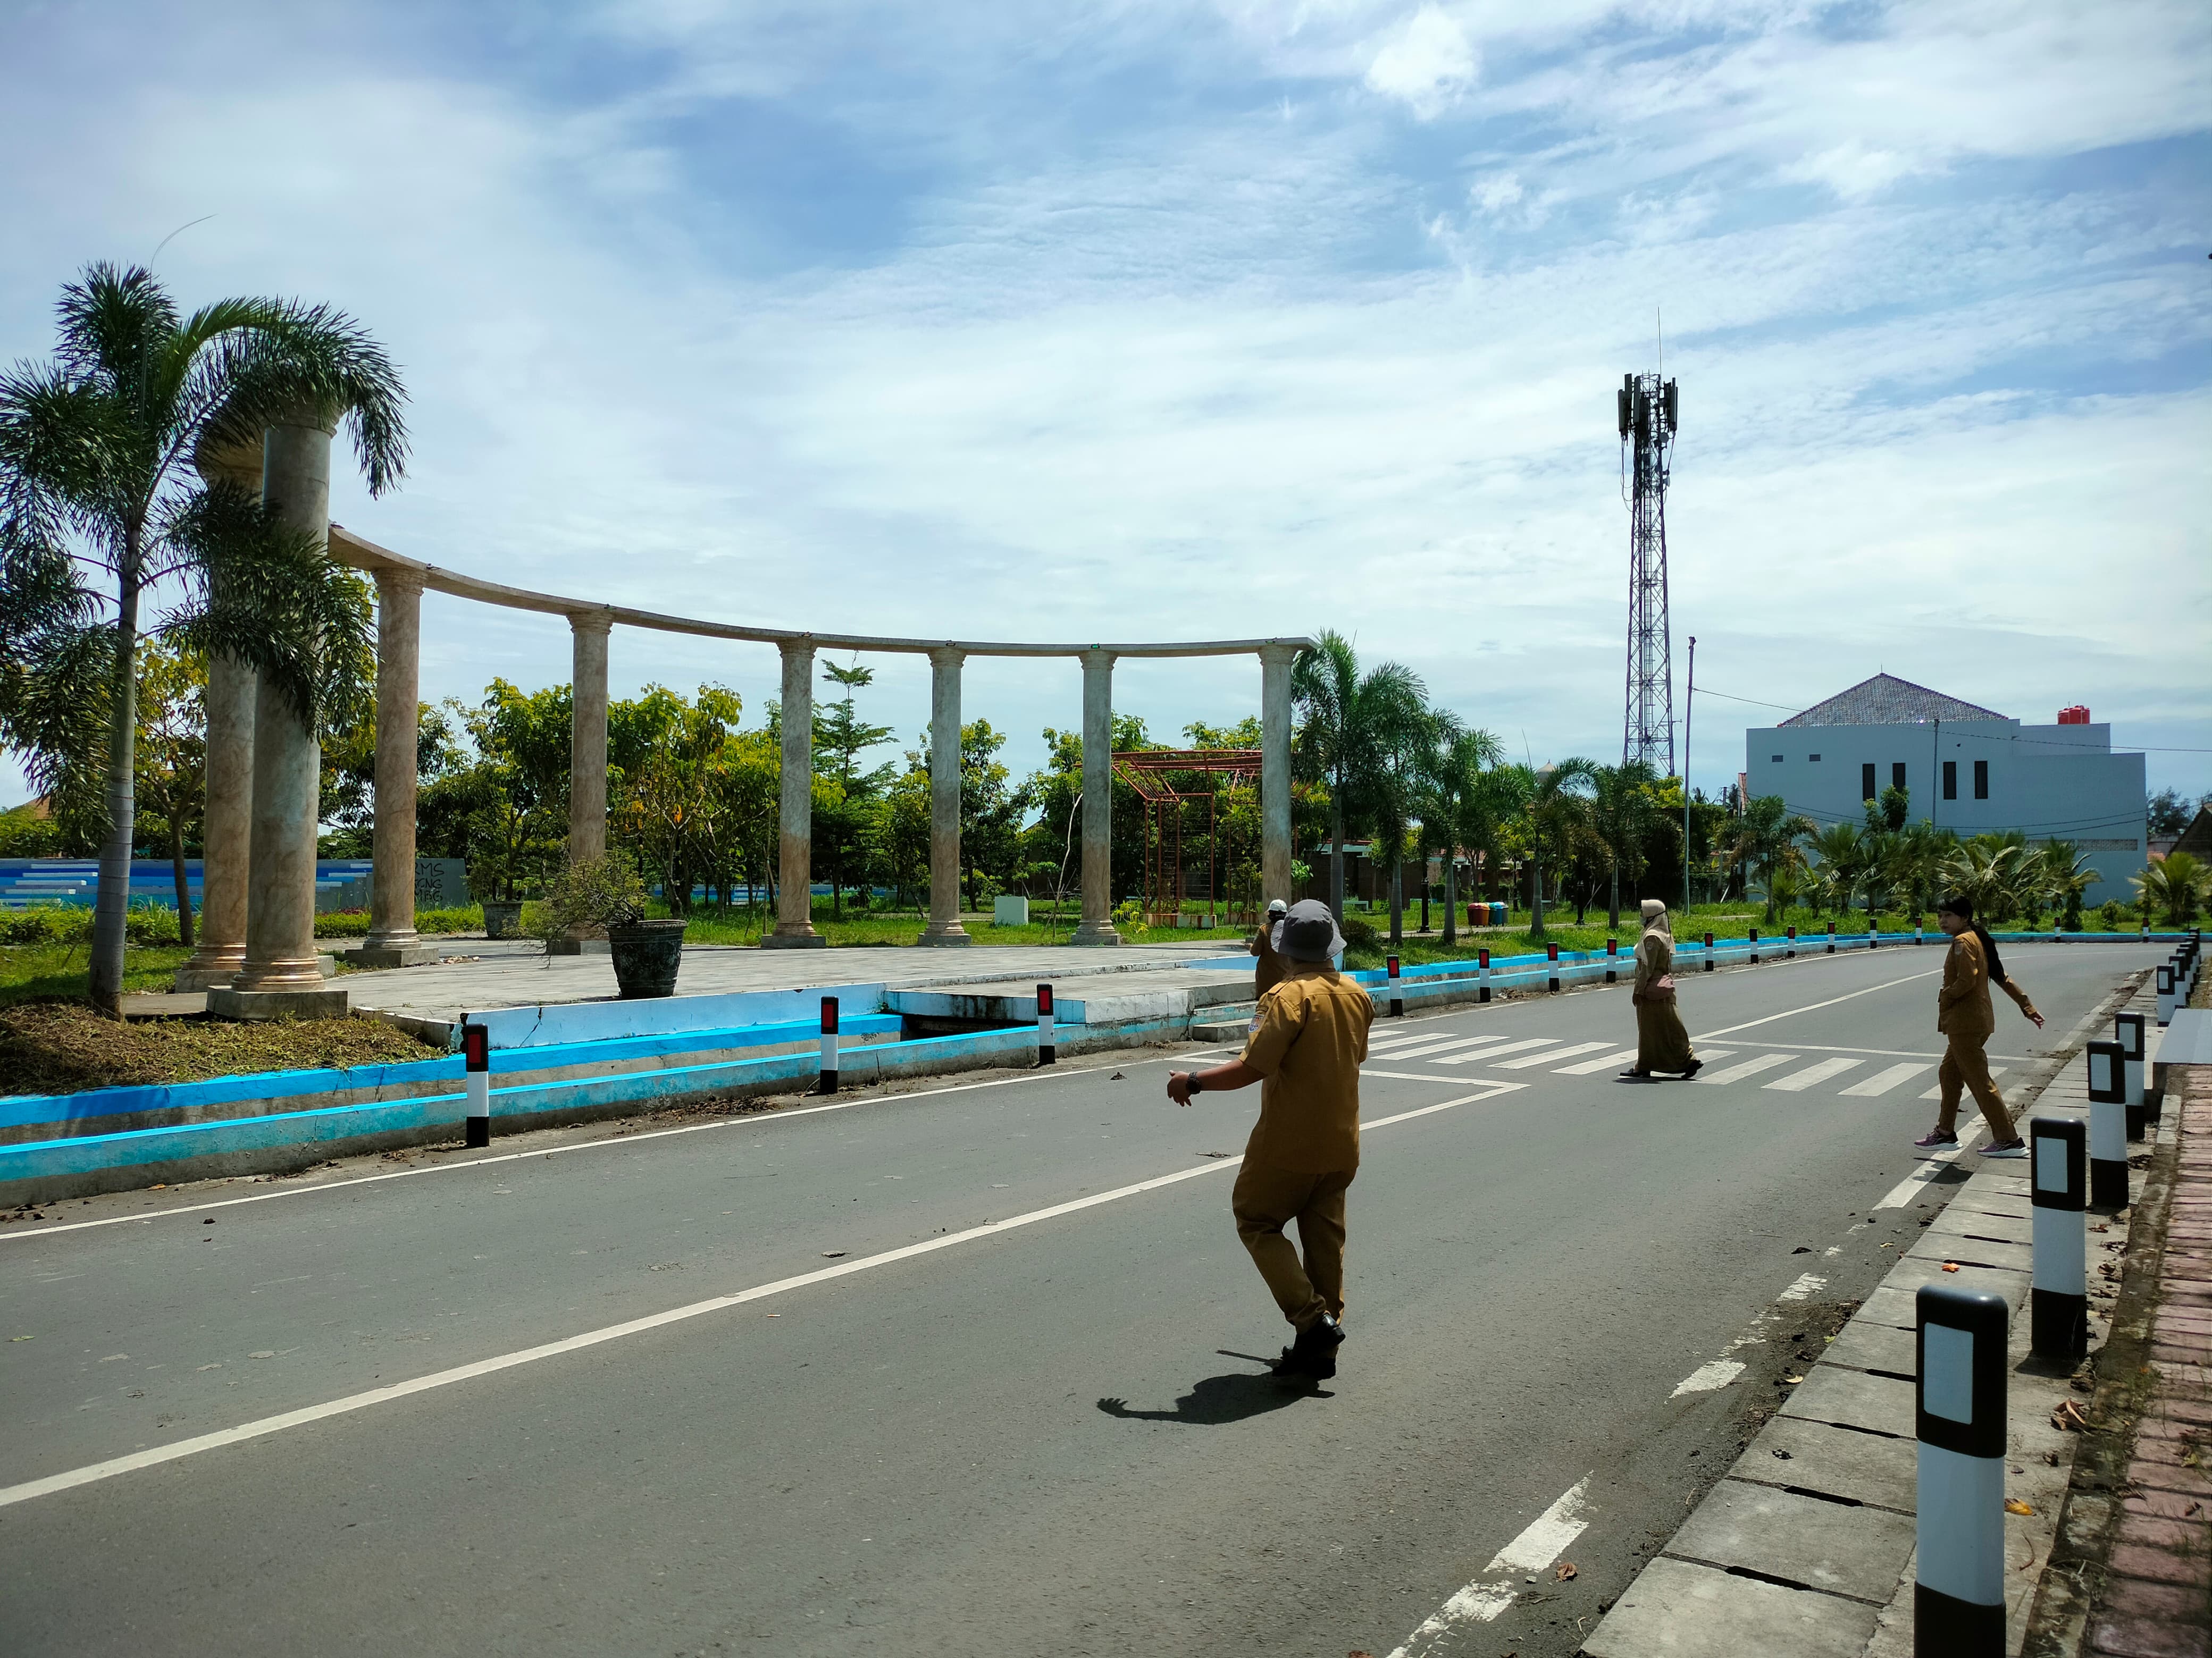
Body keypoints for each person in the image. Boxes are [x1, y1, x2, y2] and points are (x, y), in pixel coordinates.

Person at [1167, 898, 1372, 1382]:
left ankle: (1311, 1319)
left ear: (1285, 949)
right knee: (1325, 1242)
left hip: (1288, 1144)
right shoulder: (1356, 994)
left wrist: (1192, 1079)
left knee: (1256, 1219)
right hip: (1342, 1144)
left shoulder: (1286, 998)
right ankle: (1320, 1349)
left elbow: (1252, 1068)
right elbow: (1355, 1056)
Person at [1914, 895, 2040, 1157]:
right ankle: (1945, 1133)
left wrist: (1945, 995)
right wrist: (2026, 1006)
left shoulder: (1963, 942)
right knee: (1949, 1074)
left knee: (1980, 1081)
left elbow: (1967, 981)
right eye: (1940, 916)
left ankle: (2009, 1140)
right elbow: (2001, 976)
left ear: (1964, 918)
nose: (1942, 921)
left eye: (1948, 916)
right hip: (1975, 1021)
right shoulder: (1976, 938)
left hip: (1965, 1022)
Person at [1623, 898, 1701, 1079]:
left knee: (1649, 1031)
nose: (1641, 915)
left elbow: (1648, 968)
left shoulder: (1653, 937)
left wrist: (1638, 990)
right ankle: (1686, 1059)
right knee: (1671, 1027)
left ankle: (1644, 1066)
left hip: (1652, 991)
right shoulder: (1662, 933)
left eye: (1643, 912)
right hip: (1664, 988)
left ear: (1651, 914)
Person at [1249, 897, 1290, 997]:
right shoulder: (1291, 930)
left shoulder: (1264, 930)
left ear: (1271, 915)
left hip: (1267, 983)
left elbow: (1255, 952)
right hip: (1287, 981)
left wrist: (1250, 946)